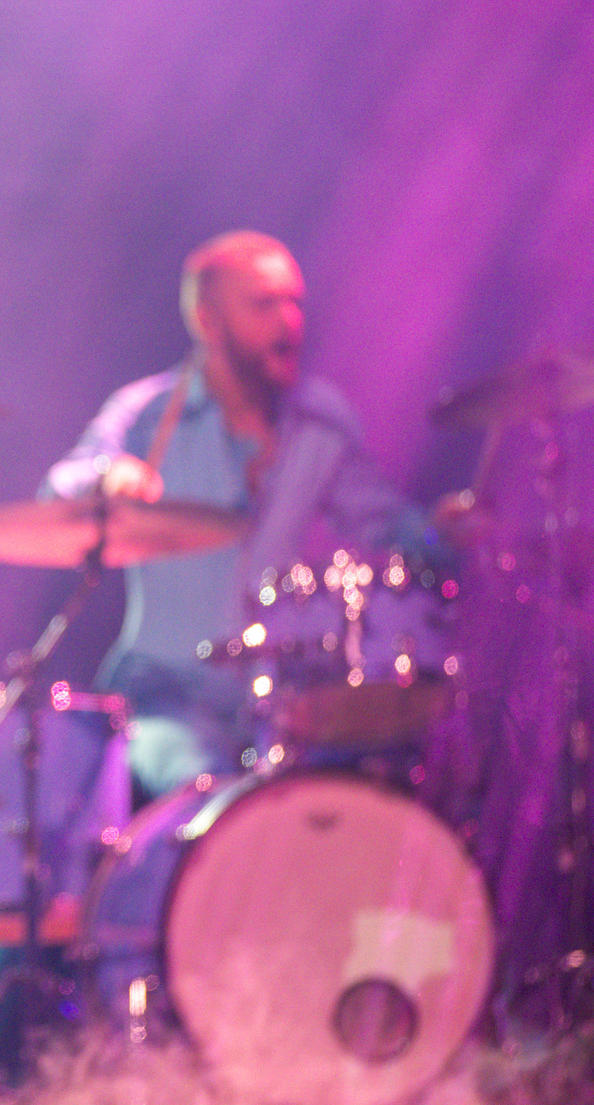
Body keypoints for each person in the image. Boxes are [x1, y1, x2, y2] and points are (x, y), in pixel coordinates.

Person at [43, 231, 432, 802]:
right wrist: (108, 475)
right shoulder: (146, 413)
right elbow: (59, 490)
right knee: (218, 804)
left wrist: (446, 531)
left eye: (295, 301)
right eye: (264, 303)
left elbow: (386, 524)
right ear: (208, 321)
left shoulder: (321, 420)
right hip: (164, 696)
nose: (289, 320)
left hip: (281, 704)